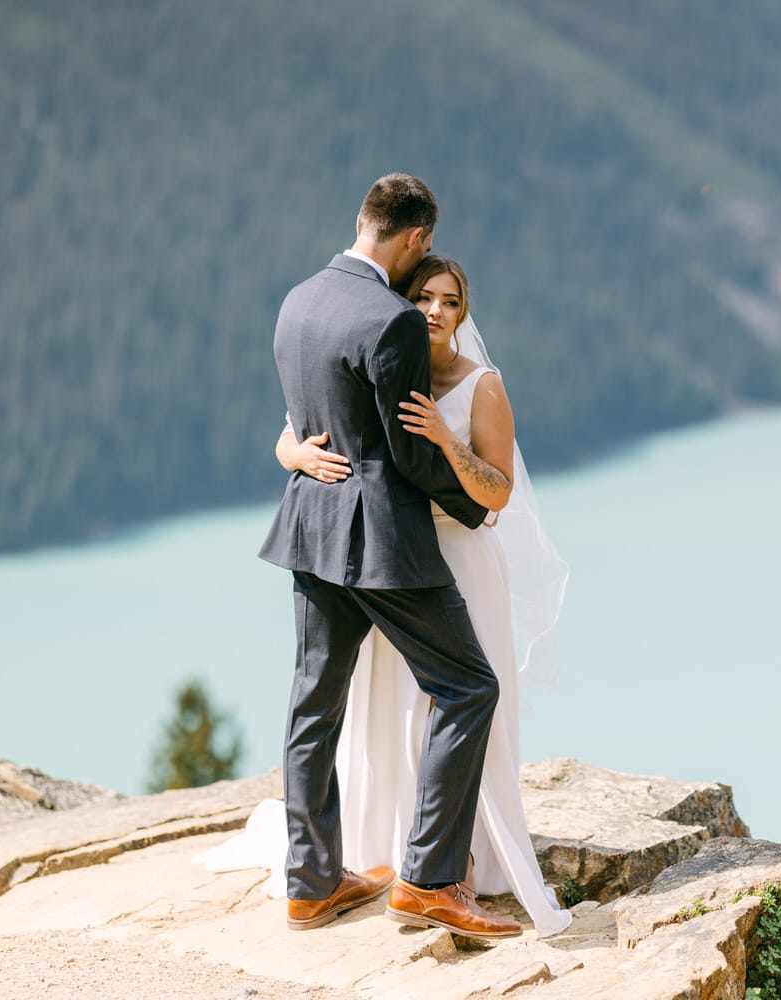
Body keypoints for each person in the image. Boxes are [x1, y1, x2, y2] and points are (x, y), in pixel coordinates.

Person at [251, 173, 521, 938]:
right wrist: (476, 505)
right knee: (468, 687)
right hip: (382, 542)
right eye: (423, 252)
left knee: (314, 702)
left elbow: (307, 419)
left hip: (311, 529)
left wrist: (294, 455)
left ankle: (308, 884)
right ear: (414, 239)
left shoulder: (298, 298)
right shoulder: (391, 320)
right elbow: (406, 453)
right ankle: (431, 880)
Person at [279, 255, 572, 937]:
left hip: (457, 559)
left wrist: (445, 436)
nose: (437, 311)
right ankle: (407, 864)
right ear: (403, 305)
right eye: (424, 297)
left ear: (463, 313)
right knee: (395, 713)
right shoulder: (384, 357)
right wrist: (297, 456)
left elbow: (499, 494)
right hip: (388, 562)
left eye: (450, 301)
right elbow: (296, 424)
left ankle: (461, 862)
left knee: (461, 698)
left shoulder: (483, 387)